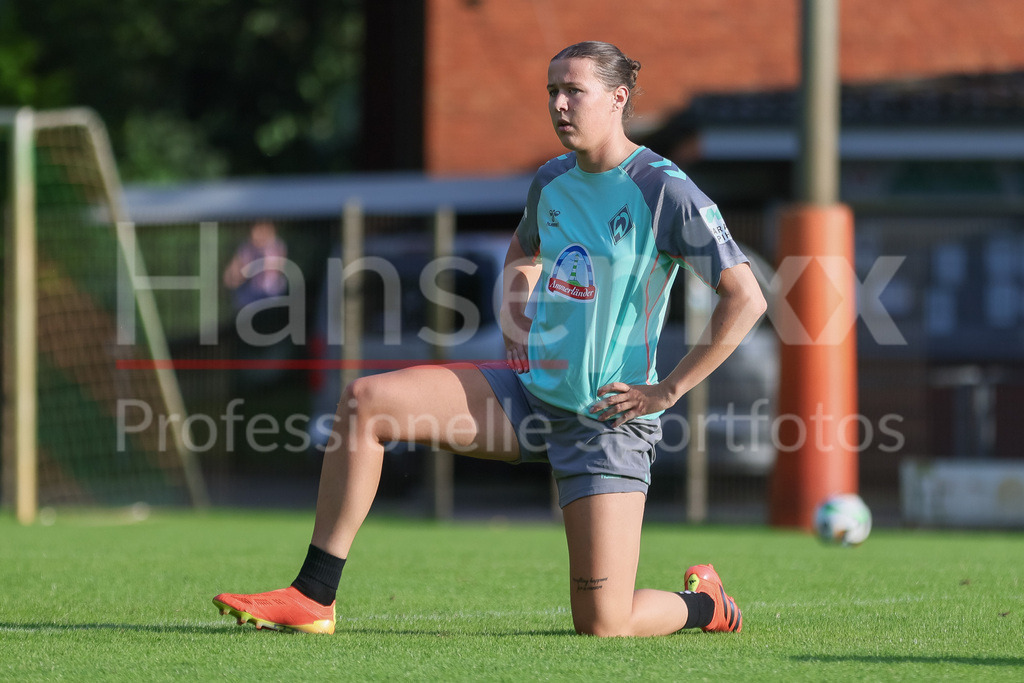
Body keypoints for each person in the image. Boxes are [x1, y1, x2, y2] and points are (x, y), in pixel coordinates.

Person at [213, 40, 766, 637]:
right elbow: (524, 249)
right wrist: (514, 312)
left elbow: (747, 297)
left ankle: (707, 605)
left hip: (607, 420)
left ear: (617, 98)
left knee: (605, 624)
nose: (558, 104)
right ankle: (313, 595)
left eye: (573, 91)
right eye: (551, 91)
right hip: (528, 397)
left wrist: (669, 389)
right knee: (365, 403)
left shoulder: (665, 189)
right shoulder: (551, 180)